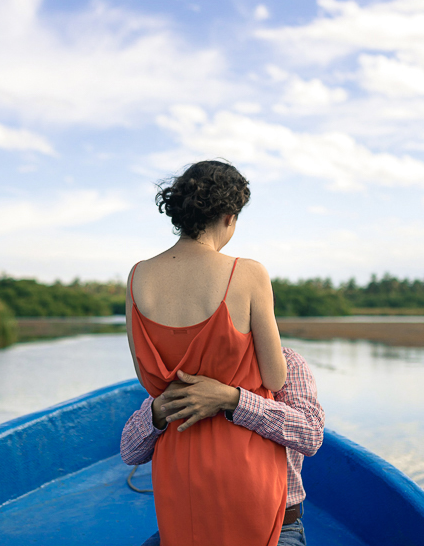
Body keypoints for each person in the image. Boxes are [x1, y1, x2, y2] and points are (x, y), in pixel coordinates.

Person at [124, 160, 292, 546]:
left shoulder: (137, 276)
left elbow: (148, 380)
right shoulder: (248, 273)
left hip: (177, 457)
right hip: (243, 458)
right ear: (229, 217)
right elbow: (275, 377)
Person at [121, 345, 325, 546]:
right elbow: (130, 453)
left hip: (277, 527)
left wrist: (232, 400)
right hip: (190, 523)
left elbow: (311, 434)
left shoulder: (286, 362)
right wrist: (161, 406)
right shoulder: (183, 372)